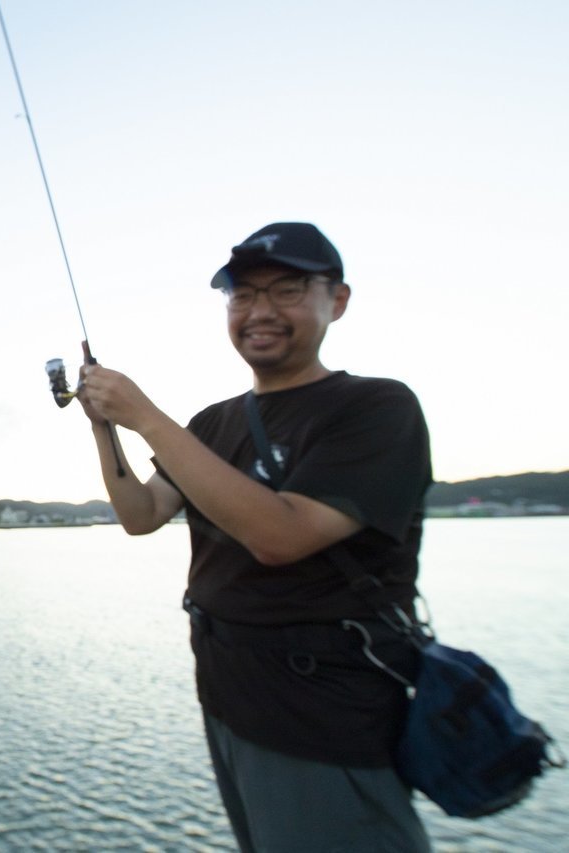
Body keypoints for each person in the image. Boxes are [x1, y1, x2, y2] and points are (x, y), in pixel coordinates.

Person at [77, 222, 433, 852]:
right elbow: (142, 513)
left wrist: (145, 416)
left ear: (337, 301)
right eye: (242, 295)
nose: (259, 311)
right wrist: (105, 426)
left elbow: (281, 535)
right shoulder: (211, 424)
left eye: (287, 290)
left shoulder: (377, 408)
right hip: (228, 697)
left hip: (322, 712)